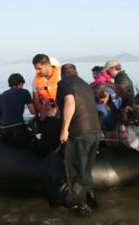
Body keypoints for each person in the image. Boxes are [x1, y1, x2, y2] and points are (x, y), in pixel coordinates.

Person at [57, 63, 102, 214]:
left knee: (76, 169)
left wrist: (64, 129)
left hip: (79, 132)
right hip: (95, 131)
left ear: (63, 74)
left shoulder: (64, 83)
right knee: (87, 169)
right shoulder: (85, 84)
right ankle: (91, 197)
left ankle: (79, 205)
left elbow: (70, 102)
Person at [0, 73, 36, 146]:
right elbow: (33, 111)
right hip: (17, 129)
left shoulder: (2, 95)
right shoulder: (24, 92)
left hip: (3, 129)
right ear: (21, 83)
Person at [32, 54, 61, 121]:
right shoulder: (35, 80)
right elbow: (35, 99)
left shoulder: (61, 76)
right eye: (35, 69)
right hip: (46, 114)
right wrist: (42, 112)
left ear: (48, 66)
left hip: (60, 112)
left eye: (39, 68)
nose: (37, 71)